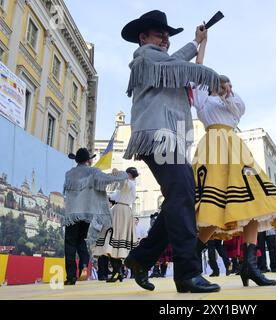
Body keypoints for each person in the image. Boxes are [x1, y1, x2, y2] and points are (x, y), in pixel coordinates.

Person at [121, 10, 221, 293]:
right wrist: (210, 74)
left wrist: (195, 42)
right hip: (159, 137)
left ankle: (141, 258)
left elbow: (175, 62)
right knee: (182, 197)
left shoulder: (161, 59)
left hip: (171, 138)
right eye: (159, 34)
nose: (165, 39)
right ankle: (187, 273)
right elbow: (177, 66)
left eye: (166, 35)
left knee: (182, 196)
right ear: (143, 38)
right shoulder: (145, 57)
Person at [192, 75, 276, 287]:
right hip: (214, 147)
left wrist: (227, 94)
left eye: (227, 84)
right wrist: (200, 44)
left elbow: (239, 110)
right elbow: (197, 74)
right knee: (216, 206)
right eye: (220, 84)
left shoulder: (231, 101)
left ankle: (250, 265)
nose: (225, 87)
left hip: (235, 148)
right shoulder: (203, 99)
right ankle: (192, 255)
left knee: (254, 201)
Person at [63, 148, 128, 285]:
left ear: (76, 160)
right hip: (86, 214)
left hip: (71, 214)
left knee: (70, 244)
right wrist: (121, 174)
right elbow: (108, 179)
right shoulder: (93, 172)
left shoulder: (69, 174)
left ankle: (70, 277)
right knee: (82, 241)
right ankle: (84, 266)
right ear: (88, 160)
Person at [93, 167, 140, 282]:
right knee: (114, 244)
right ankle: (117, 271)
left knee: (114, 241)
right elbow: (114, 195)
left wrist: (117, 172)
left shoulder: (130, 184)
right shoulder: (126, 185)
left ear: (128, 174)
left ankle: (117, 271)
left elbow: (123, 182)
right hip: (120, 211)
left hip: (120, 212)